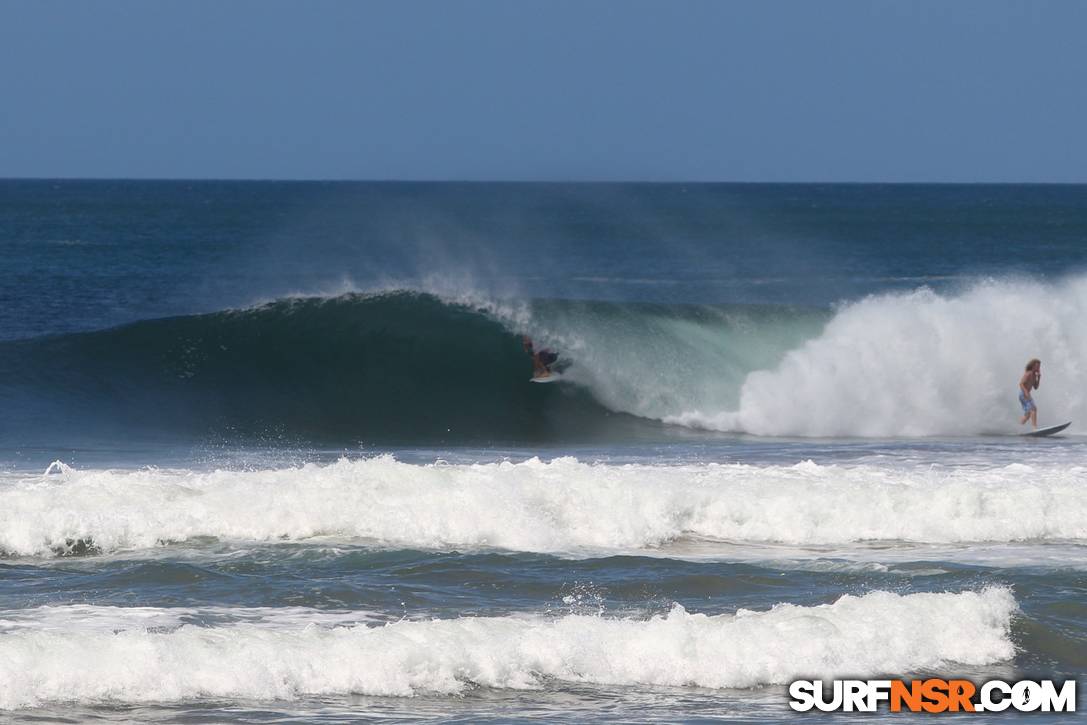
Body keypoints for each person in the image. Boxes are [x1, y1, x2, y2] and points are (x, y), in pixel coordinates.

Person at [1018, 358, 1041, 428]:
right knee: (1033, 409)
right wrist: (1026, 393)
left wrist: (1038, 378)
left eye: (1039, 366)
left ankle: (1018, 427)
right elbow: (1021, 384)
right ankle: (1035, 428)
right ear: (1032, 366)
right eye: (1037, 366)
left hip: (1026, 394)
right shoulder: (1029, 373)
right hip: (1023, 394)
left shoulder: (1034, 375)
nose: (1038, 368)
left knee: (1028, 414)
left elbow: (1036, 387)